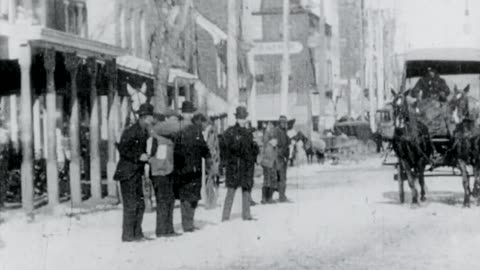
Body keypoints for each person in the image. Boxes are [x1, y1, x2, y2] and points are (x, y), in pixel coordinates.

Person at [114, 103, 154, 242]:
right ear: (143, 118)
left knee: (140, 203)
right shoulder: (131, 131)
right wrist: (139, 156)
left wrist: (145, 157)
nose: (151, 120)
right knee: (131, 204)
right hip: (127, 173)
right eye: (150, 117)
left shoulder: (143, 131)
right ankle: (128, 235)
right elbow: (123, 149)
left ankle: (137, 233)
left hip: (136, 172)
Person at [173, 112, 210, 232]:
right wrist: (208, 157)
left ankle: (188, 223)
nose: (206, 126)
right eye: (205, 123)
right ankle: (188, 224)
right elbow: (203, 148)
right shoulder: (195, 132)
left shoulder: (184, 130)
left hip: (185, 169)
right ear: (200, 121)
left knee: (187, 197)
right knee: (190, 197)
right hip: (192, 169)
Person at [221, 106, 259, 221]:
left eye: (244, 118)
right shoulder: (230, 132)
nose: (242, 120)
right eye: (240, 118)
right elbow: (226, 148)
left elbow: (254, 151)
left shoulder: (249, 133)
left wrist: (255, 146)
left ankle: (246, 215)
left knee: (247, 190)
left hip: (247, 166)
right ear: (236, 118)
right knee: (231, 191)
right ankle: (225, 217)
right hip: (235, 166)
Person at [146, 113, 178, 237]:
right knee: (163, 201)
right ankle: (162, 230)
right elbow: (152, 156)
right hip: (159, 173)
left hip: (167, 171)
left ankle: (168, 229)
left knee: (169, 200)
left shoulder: (166, 138)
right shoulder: (155, 137)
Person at [274, 115, 291, 203]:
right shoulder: (278, 131)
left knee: (282, 177)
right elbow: (278, 146)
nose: (284, 124)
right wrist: (283, 156)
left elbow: (287, 143)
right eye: (283, 122)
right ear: (279, 122)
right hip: (279, 158)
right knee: (281, 178)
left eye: (285, 122)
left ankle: (282, 195)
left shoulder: (284, 131)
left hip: (283, 157)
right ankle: (282, 197)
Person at [260, 122, 278, 204]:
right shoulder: (266, 139)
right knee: (267, 180)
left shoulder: (271, 140)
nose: (271, 129)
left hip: (272, 161)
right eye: (270, 128)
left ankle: (268, 198)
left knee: (272, 179)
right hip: (267, 162)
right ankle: (265, 198)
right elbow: (266, 139)